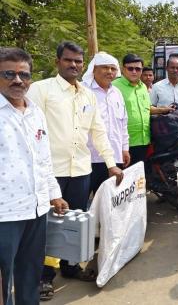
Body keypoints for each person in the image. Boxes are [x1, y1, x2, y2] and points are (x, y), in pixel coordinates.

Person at [27, 41, 123, 300]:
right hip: (51, 172)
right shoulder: (41, 90)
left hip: (81, 170)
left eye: (78, 61)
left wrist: (111, 163)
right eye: (68, 60)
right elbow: (29, 129)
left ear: (83, 65)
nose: (73, 65)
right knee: (48, 226)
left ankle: (70, 267)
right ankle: (44, 277)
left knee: (75, 223)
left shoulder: (87, 95)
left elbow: (98, 132)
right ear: (58, 61)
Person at [0, 47, 68, 305]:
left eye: (24, 75)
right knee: (3, 279)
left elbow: (43, 159)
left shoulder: (35, 112)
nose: (18, 80)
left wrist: (54, 194)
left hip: (36, 210)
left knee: (30, 275)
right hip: (5, 214)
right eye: (9, 74)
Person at [82, 52, 130, 194]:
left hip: (114, 157)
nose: (109, 72)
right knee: (81, 201)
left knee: (109, 200)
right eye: (105, 67)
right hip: (89, 157)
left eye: (113, 68)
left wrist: (125, 148)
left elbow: (123, 123)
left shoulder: (117, 93)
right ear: (93, 69)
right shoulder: (83, 91)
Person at [113, 54, 170, 165]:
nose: (134, 72)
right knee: (123, 178)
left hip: (144, 140)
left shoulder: (142, 87)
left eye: (138, 69)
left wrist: (163, 110)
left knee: (139, 176)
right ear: (123, 69)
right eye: (130, 68)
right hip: (124, 143)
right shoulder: (114, 87)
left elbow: (147, 109)